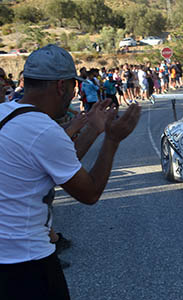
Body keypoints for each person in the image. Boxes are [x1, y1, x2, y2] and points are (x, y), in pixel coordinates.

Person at [0, 44, 141, 300]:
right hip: (26, 263)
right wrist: (112, 139)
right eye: (72, 87)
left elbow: (58, 164)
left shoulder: (6, 113)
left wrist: (94, 129)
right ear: (60, 86)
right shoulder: (41, 128)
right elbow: (90, 193)